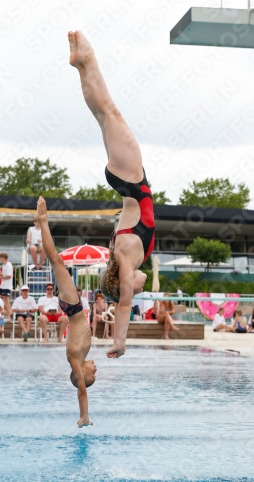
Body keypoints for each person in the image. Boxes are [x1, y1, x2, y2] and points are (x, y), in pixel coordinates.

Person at [68, 31, 154, 358]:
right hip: (123, 182)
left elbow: (123, 305)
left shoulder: (128, 262)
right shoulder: (119, 254)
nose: (141, 288)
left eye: (132, 288)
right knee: (103, 115)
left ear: (124, 284)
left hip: (131, 179)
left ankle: (88, 59)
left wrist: (120, 342)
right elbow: (123, 298)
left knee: (109, 111)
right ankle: (81, 66)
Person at [35, 196, 96, 427]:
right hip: (75, 307)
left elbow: (81, 391)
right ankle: (40, 222)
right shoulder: (79, 357)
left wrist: (84, 415)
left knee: (56, 261)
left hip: (73, 307)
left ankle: (43, 222)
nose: (95, 369)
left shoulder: (74, 359)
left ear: (81, 373)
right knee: (57, 261)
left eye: (92, 374)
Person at [0, 252, 13, 321]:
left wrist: (0, 277)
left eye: (0, 258)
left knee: (6, 301)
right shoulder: (4, 265)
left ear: (3, 258)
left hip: (7, 285)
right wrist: (0, 275)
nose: (0, 259)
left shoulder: (8, 265)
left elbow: (9, 276)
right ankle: (7, 312)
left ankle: (9, 316)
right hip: (3, 285)